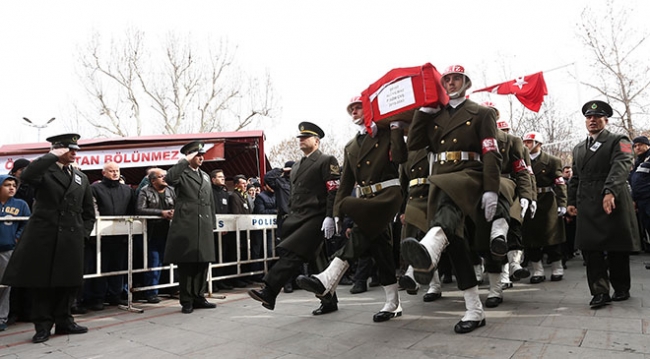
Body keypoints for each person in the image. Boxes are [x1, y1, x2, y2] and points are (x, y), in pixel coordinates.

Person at [401, 65, 506, 333]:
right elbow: (413, 145)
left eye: (456, 78)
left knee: (450, 213)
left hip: (468, 175)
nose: (450, 82)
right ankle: (474, 310)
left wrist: (492, 188)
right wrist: (423, 114)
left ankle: (428, 250)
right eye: (446, 79)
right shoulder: (436, 116)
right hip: (442, 179)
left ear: (466, 82)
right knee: (457, 246)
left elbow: (491, 152)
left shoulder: (481, 113)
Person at [296, 96, 408, 323]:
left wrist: (395, 128)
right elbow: (346, 182)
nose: (355, 111)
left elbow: (399, 158)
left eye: (359, 107)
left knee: (363, 236)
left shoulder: (386, 133)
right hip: (366, 202)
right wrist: (335, 214)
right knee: (380, 247)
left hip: (387, 196)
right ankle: (393, 303)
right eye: (352, 109)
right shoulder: (351, 146)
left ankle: (329, 278)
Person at [2, 133, 96, 343]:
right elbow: (26, 176)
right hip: (44, 236)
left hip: (71, 237)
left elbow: (89, 211)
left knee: (68, 282)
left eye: (75, 150)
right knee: (41, 284)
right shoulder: (44, 170)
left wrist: (83, 233)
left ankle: (65, 321)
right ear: (57, 150)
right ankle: (42, 326)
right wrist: (52, 155)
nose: (73, 153)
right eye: (68, 149)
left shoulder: (81, 177)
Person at [248, 122, 341, 314]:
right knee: (318, 260)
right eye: (299, 137)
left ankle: (270, 291)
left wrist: (331, 216)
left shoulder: (326, 160)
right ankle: (329, 300)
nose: (301, 140)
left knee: (292, 254)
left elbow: (333, 190)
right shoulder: (297, 165)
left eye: (305, 137)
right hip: (298, 218)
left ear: (316, 141)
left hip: (316, 217)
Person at [567, 100, 640, 308]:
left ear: (605, 120)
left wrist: (609, 191)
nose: (592, 121)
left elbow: (622, 164)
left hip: (612, 197)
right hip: (587, 203)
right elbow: (575, 177)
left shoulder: (619, 140)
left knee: (616, 246)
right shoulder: (579, 148)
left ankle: (621, 287)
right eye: (589, 118)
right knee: (590, 248)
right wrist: (571, 201)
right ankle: (599, 291)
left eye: (597, 117)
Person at [480, 103, 535, 307]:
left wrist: (527, 195)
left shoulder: (512, 141)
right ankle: (496, 283)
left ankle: (510, 269)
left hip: (506, 190)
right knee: (485, 242)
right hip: (480, 191)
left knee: (512, 231)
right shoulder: (472, 140)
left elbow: (522, 171)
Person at [164, 141, 217, 313]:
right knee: (187, 263)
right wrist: (184, 161)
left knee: (203, 261)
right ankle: (186, 299)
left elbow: (210, 202)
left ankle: (199, 296)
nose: (202, 158)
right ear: (190, 156)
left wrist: (213, 224)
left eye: (202, 155)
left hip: (205, 223)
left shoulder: (206, 176)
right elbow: (169, 178)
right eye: (198, 155)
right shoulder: (182, 173)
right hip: (187, 223)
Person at [84, 162, 136, 310]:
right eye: (111, 171)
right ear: (104, 173)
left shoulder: (127, 190)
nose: (115, 173)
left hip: (121, 236)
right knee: (101, 268)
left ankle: (115, 296)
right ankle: (98, 297)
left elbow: (132, 210)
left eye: (117, 170)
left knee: (118, 267)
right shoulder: (95, 189)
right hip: (101, 237)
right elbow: (93, 210)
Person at [397, 148, 443, 303]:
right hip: (413, 201)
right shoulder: (406, 155)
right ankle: (431, 284)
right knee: (410, 243)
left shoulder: (432, 147)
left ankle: (433, 284)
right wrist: (402, 210)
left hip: (432, 198)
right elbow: (403, 187)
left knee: (430, 243)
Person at [521, 131, 567, 283]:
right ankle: (537, 270)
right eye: (525, 142)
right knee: (531, 238)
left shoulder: (552, 161)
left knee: (552, 236)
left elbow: (559, 183)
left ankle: (557, 267)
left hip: (547, 201)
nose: (526, 145)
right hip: (529, 199)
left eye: (529, 142)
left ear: (538, 144)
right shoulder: (522, 160)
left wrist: (562, 203)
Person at [136, 168, 176, 303]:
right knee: (153, 263)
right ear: (153, 180)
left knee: (171, 261)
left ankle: (171, 288)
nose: (165, 178)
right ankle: (151, 292)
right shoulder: (145, 191)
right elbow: (140, 209)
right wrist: (161, 213)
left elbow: (178, 204)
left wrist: (175, 212)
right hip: (151, 233)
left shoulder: (171, 190)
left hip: (169, 232)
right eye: (161, 176)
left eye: (166, 176)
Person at [0, 175, 31, 331]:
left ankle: (1, 318)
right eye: (7, 184)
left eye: (13, 185)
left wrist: (17, 238)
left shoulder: (21, 204)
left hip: (8, 249)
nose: (12, 187)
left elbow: (26, 223)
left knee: (5, 286)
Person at [209, 169, 234, 291]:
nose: (223, 179)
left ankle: (220, 280)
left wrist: (226, 227)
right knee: (213, 256)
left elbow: (228, 211)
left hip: (224, 231)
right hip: (212, 231)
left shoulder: (225, 193)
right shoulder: (209, 192)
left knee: (222, 256)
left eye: (223, 177)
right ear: (213, 179)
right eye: (220, 177)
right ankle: (212, 282)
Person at [229, 174, 253, 286]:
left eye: (245, 183)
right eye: (242, 184)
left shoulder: (244, 196)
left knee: (244, 253)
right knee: (235, 254)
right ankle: (235, 278)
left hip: (245, 229)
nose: (245, 186)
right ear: (236, 185)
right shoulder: (234, 196)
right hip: (237, 229)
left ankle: (244, 275)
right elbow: (236, 212)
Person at [630, 136, 650, 252]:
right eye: (635, 146)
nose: (637, 148)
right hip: (641, 200)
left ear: (647, 145)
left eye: (640, 145)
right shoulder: (638, 161)